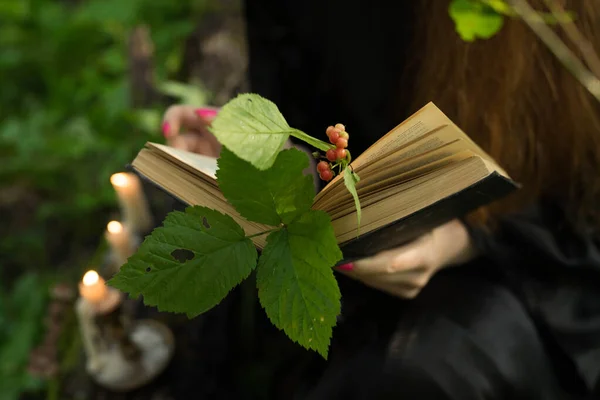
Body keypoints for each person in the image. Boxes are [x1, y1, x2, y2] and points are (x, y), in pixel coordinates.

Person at [160, 0, 600, 398]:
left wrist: (466, 237)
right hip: (359, 272)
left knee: (426, 367)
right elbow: (314, 124)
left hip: (543, 261)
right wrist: (269, 160)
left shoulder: (537, 19)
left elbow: (582, 188)